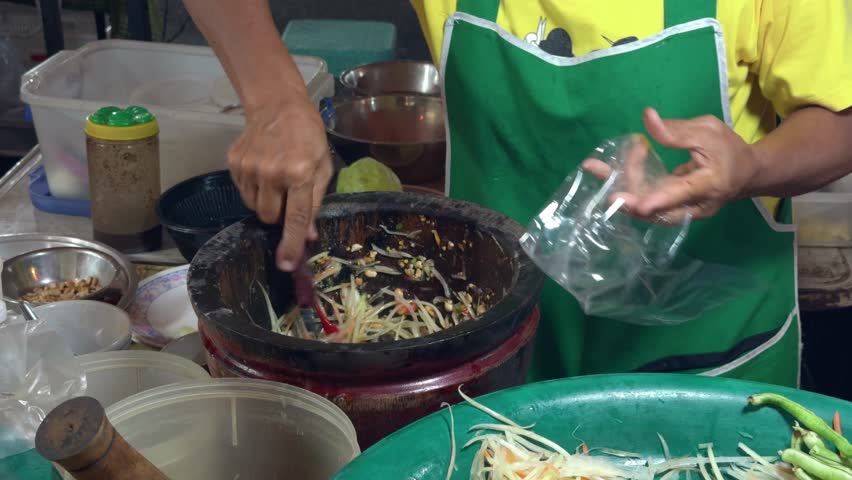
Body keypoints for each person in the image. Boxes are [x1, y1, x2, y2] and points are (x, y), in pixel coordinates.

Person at [183, 0, 852, 387]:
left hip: (711, 371)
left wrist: (755, 167)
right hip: (500, 359)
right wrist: (274, 96)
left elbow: (842, 124)